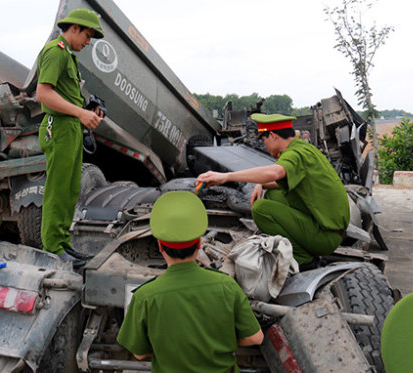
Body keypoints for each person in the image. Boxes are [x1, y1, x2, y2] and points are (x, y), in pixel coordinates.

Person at [117, 191, 263, 372]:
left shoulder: (145, 296)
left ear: (160, 246)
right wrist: (215, 343)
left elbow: (138, 353)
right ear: (199, 245)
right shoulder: (227, 286)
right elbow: (255, 338)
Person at [196, 113, 350, 265]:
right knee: (273, 194)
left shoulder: (295, 154)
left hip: (325, 237)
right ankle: (301, 247)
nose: (264, 144)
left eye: (264, 139)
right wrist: (261, 184)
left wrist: (226, 176)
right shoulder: (303, 148)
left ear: (274, 136)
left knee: (260, 209)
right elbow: (281, 180)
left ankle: (301, 257)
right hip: (331, 231)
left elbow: (275, 172)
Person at [35, 8, 105, 263]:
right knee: (58, 189)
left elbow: (64, 95)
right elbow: (43, 94)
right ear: (74, 28)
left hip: (70, 126)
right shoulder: (56, 51)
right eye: (88, 35)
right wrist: (80, 113)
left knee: (70, 189)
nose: (88, 42)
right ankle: (53, 248)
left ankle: (63, 242)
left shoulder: (69, 56)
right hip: (60, 127)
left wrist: (86, 111)